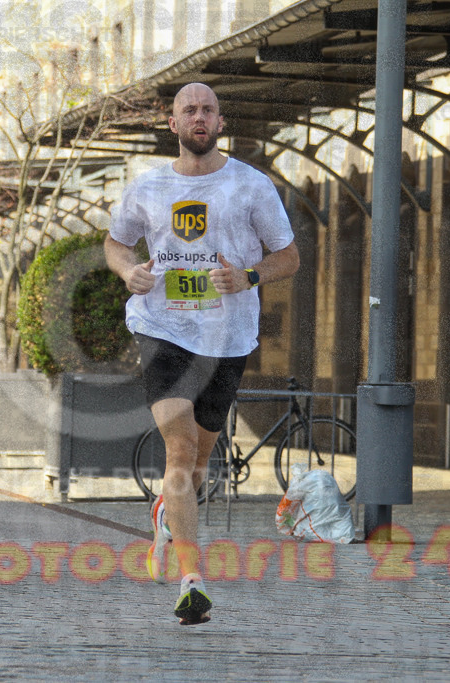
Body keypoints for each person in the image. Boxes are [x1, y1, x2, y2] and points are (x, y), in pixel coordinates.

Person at [105, 83, 300, 624]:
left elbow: (289, 256)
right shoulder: (148, 188)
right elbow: (116, 242)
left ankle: (168, 509)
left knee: (199, 460)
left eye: (207, 109)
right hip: (162, 329)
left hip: (227, 338)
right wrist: (128, 270)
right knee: (180, 446)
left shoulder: (251, 186)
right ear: (172, 123)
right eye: (188, 109)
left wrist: (248, 276)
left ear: (220, 121)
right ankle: (192, 578)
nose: (198, 117)